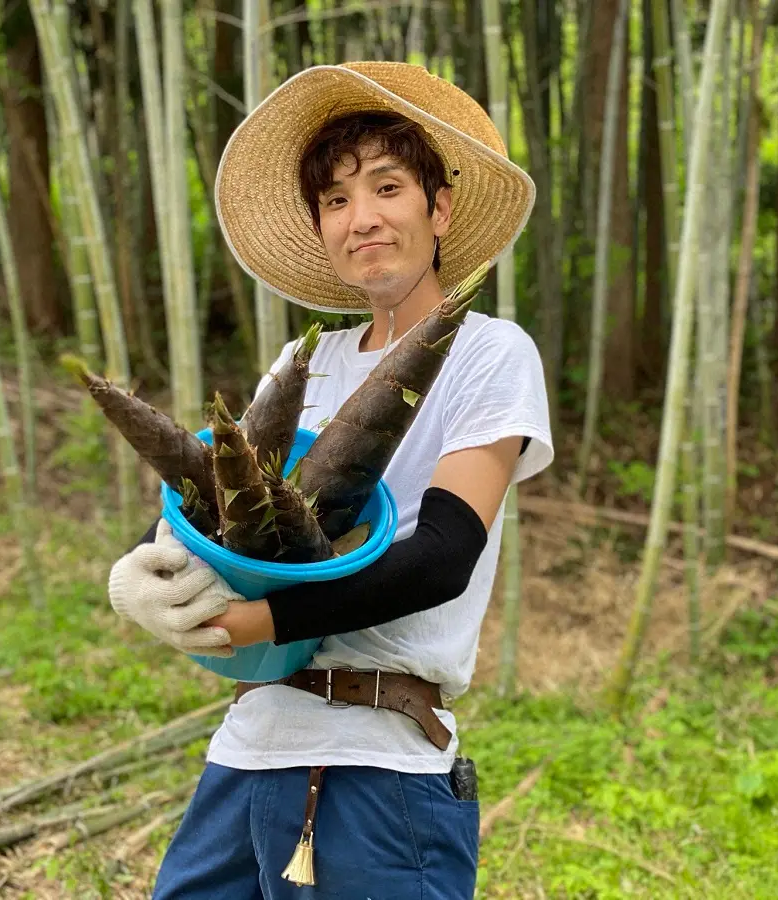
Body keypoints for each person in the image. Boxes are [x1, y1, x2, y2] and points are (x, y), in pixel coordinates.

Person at [107, 61, 553, 899]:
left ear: (439, 208)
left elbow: (441, 558)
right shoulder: (305, 361)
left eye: (387, 187)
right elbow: (216, 506)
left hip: (379, 763)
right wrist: (138, 571)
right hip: (249, 749)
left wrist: (256, 619)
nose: (364, 218)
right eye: (337, 201)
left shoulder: (491, 352)